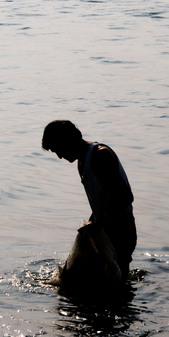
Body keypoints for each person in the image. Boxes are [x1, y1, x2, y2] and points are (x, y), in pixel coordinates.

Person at [42, 120, 136, 281]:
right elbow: (103, 202)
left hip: (121, 230)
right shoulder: (82, 163)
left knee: (117, 283)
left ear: (71, 140)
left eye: (59, 149)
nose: (59, 156)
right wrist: (91, 223)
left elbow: (125, 197)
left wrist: (99, 222)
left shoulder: (100, 155)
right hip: (104, 230)